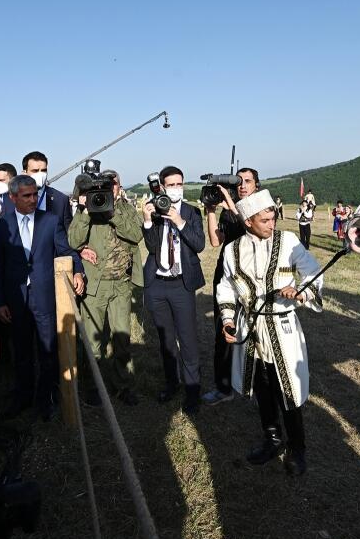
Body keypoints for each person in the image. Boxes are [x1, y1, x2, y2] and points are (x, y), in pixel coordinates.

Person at [218, 189, 323, 476]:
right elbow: (226, 286)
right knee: (262, 388)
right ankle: (272, 439)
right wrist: (228, 320)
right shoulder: (232, 249)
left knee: (287, 389)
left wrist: (299, 291)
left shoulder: (288, 241)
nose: (271, 223)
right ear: (248, 221)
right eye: (264, 220)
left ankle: (297, 448)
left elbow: (312, 271)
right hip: (250, 328)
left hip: (282, 328)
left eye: (272, 217)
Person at [0, 174, 84, 421]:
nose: (33, 200)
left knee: (48, 350)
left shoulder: (50, 221)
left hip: (44, 297)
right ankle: (23, 397)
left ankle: (46, 399)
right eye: (26, 196)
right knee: (21, 351)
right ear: (13, 198)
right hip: (15, 300)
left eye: (35, 194)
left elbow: (66, 251)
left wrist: (79, 273)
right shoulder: (2, 227)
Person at [68, 170, 144, 406]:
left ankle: (124, 386)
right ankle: (93, 387)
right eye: (105, 185)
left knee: (122, 339)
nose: (109, 189)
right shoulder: (88, 208)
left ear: (119, 187)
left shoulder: (126, 209)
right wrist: (84, 210)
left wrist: (112, 213)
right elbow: (74, 241)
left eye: (113, 184)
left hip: (121, 284)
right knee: (93, 341)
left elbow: (136, 234)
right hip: (95, 286)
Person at [142, 165, 205, 414]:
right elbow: (151, 246)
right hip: (157, 284)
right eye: (171, 185)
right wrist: (148, 222)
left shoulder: (192, 212)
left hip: (181, 284)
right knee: (166, 340)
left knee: (187, 339)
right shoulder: (156, 211)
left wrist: (179, 221)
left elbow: (199, 244)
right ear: (162, 187)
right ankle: (172, 383)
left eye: (180, 184)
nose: (176, 188)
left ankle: (192, 390)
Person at [204, 167, 259, 405]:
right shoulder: (229, 209)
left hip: (251, 276)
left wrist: (228, 200)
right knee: (222, 332)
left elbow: (250, 226)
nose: (243, 185)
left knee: (256, 332)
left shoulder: (261, 207)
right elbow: (216, 241)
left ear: (257, 184)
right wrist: (211, 211)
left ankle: (258, 386)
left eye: (247, 181)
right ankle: (223, 386)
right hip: (226, 274)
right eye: (239, 182)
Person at [0, 152, 73, 231]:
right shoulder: (8, 199)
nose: (40, 174)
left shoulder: (61, 200)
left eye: (44, 170)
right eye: (35, 171)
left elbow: (68, 235)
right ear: (24, 173)